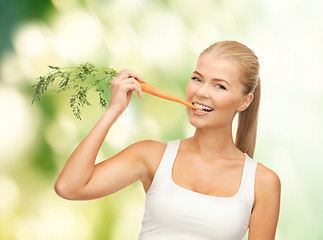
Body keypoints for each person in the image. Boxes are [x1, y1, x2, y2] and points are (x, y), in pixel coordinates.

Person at [54, 40, 281, 240]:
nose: (201, 92)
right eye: (197, 79)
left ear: (244, 101)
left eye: (219, 86)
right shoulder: (151, 156)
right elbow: (69, 187)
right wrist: (113, 111)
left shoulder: (262, 182)